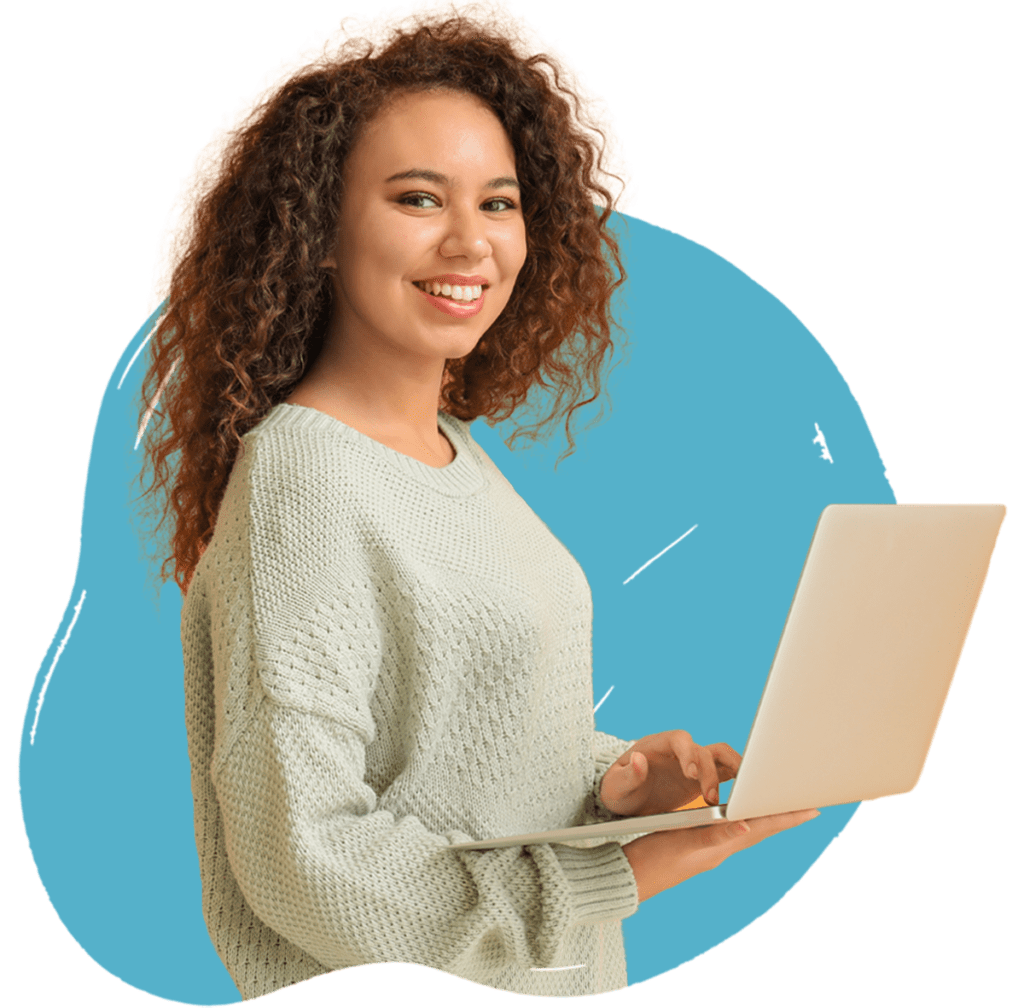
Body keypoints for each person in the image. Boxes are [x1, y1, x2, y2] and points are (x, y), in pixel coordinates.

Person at [136, 1, 817, 1000]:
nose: (471, 243)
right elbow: (304, 859)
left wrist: (616, 784)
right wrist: (621, 869)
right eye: (418, 199)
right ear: (319, 230)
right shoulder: (303, 480)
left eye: (498, 204)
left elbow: (457, 747)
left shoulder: (456, 456)